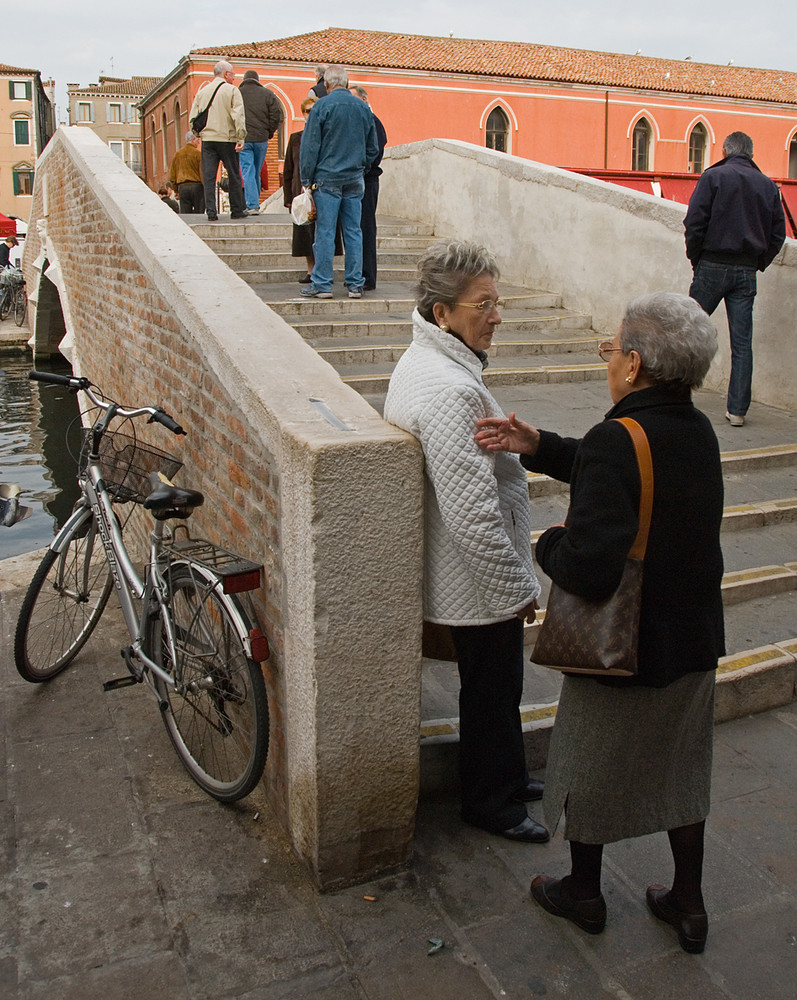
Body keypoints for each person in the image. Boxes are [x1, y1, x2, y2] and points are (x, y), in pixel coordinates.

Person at [475, 291, 724, 952]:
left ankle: (582, 891)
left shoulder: (621, 437)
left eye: (613, 346)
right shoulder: (693, 428)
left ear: (635, 365)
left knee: (585, 767)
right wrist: (539, 446)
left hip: (627, 647)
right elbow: (620, 464)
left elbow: (588, 568)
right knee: (682, 771)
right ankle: (688, 903)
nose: (606, 355)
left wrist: (546, 544)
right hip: (691, 640)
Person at [384, 240, 548, 845]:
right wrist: (515, 588)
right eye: (484, 305)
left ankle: (508, 778)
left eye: (497, 303)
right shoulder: (450, 388)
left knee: (498, 683)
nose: (497, 316)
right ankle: (492, 803)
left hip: (466, 573)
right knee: (489, 686)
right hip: (474, 577)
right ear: (442, 313)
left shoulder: (433, 365)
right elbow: (471, 510)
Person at [684, 131, 785, 427]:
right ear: (750, 154)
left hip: (712, 264)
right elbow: (777, 234)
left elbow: (694, 221)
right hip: (745, 271)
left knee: (686, 332)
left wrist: (696, 258)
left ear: (727, 151)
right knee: (742, 343)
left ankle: (677, 397)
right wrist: (758, 263)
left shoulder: (713, 177)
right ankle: (738, 411)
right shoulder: (767, 186)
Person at [299, 65, 378, 299]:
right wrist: (362, 166)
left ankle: (322, 284)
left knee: (325, 231)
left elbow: (310, 147)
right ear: (346, 82)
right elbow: (373, 147)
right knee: (354, 231)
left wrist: (306, 180)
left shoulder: (321, 106)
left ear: (326, 84)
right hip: (354, 177)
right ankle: (355, 284)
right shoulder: (363, 108)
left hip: (327, 178)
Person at [282, 97, 342, 283]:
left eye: (313, 110)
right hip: (301, 193)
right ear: (303, 114)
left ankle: (324, 270)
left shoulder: (327, 136)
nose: (310, 114)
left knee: (324, 232)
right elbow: (288, 170)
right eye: (307, 111)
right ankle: (310, 271)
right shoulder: (295, 138)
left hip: (324, 190)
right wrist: (289, 199)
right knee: (305, 235)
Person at [189, 60, 247, 221]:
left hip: (208, 140)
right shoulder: (232, 91)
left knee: (209, 177)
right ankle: (236, 210)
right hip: (227, 138)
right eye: (233, 74)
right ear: (227, 74)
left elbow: (193, 116)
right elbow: (238, 115)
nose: (234, 77)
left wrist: (198, 133)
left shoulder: (203, 91)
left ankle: (211, 212)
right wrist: (241, 136)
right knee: (234, 174)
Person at [350, 85, 387, 290]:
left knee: (365, 228)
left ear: (364, 100)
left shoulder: (373, 122)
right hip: (360, 178)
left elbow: (375, 153)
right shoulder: (364, 121)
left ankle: (367, 276)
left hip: (367, 180)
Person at [238, 69, 283, 216]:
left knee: (248, 171)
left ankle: (252, 205)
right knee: (256, 171)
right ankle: (254, 203)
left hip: (244, 138)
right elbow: (276, 115)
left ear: (244, 79)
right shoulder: (268, 94)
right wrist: (269, 132)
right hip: (262, 139)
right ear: (257, 80)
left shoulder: (238, 93)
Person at [169, 133, 204, 214]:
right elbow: (202, 172)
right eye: (197, 141)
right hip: (197, 186)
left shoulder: (177, 154)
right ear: (192, 140)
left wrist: (176, 190)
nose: (198, 143)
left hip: (183, 187)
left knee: (186, 215)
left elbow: (172, 176)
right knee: (199, 213)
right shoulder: (198, 154)